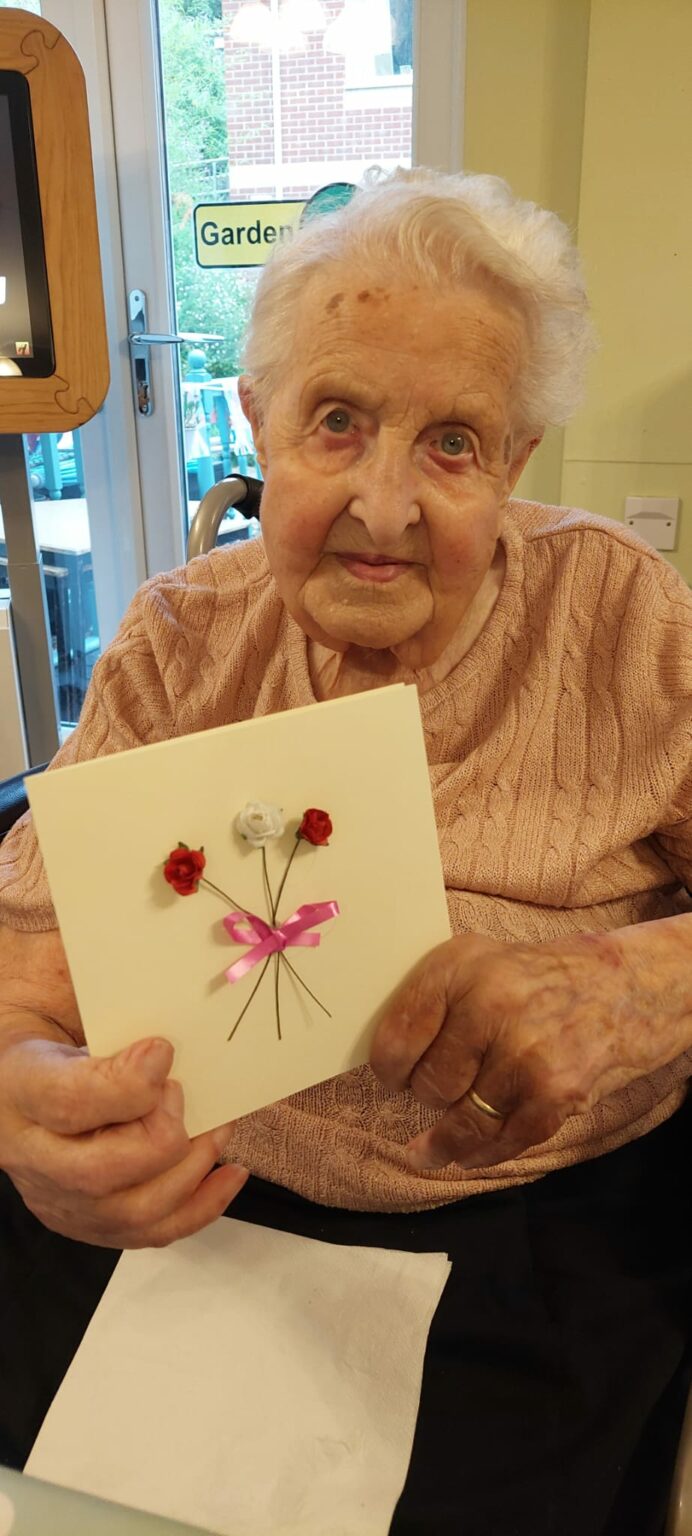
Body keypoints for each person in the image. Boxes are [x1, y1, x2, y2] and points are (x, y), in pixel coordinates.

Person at [0, 167, 691, 1535]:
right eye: (336, 421)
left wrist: (636, 987)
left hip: (539, 1221)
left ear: (517, 463)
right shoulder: (180, 636)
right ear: (258, 420)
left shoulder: (622, 612)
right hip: (190, 1201)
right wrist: (18, 1089)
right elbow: (30, 955)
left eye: (453, 443)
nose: (385, 506)